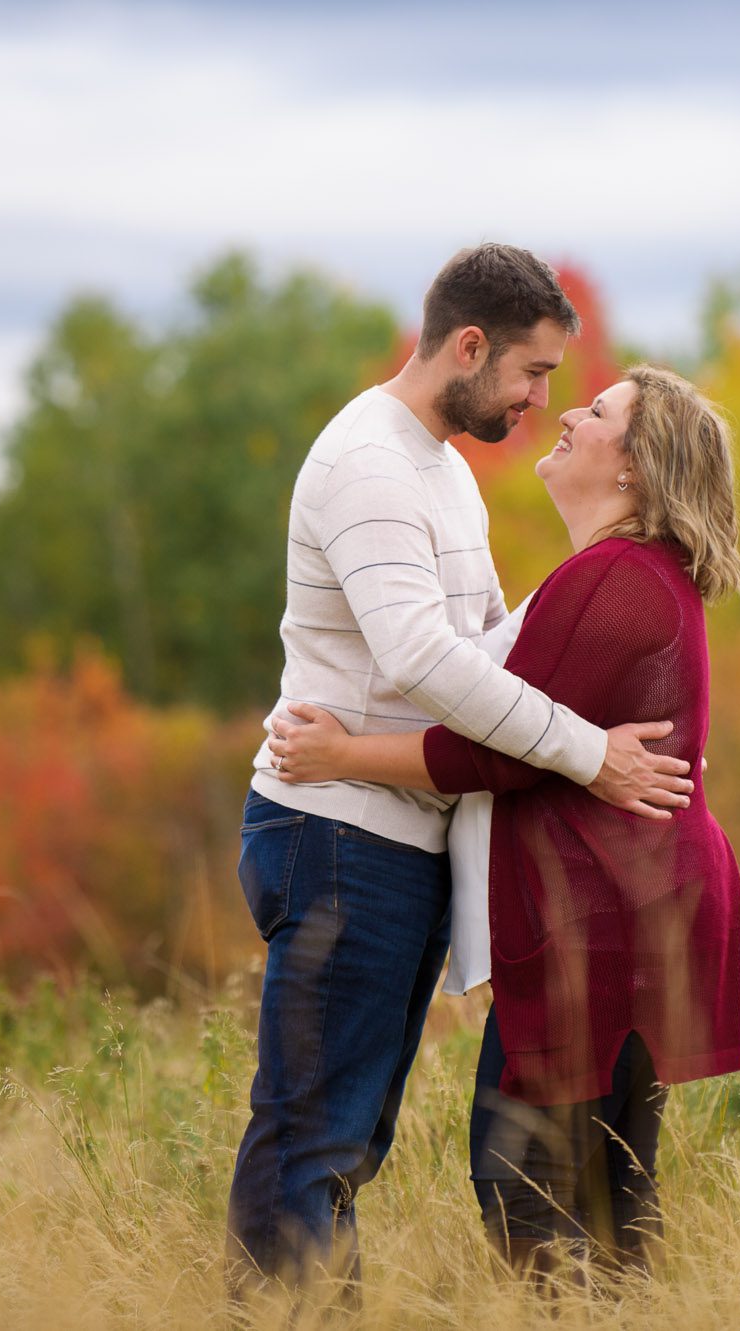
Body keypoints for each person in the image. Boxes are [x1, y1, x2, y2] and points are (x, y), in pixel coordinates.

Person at [226, 244, 696, 1302]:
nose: (538, 400)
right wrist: (590, 753)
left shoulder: (435, 467)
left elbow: (487, 637)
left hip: (392, 835)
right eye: (530, 374)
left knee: (347, 1138)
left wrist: (619, 582)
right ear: (468, 346)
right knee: (314, 1135)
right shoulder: (370, 465)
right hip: (336, 834)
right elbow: (422, 659)